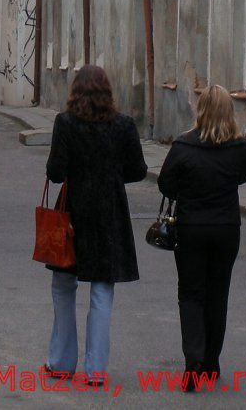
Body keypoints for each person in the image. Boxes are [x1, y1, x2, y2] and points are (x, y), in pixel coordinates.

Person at [44, 64, 148, 385]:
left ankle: (61, 362)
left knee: (63, 286)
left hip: (72, 212)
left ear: (76, 91)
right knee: (102, 290)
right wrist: (111, 176)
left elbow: (56, 172)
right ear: (107, 92)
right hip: (108, 214)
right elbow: (139, 170)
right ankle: (96, 370)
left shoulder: (65, 123)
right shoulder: (123, 125)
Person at [157, 85, 246, 390]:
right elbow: (245, 175)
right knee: (217, 295)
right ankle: (211, 363)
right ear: (229, 112)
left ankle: (192, 362)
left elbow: (165, 183)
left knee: (190, 294)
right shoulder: (239, 148)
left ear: (200, 111)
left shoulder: (184, 146)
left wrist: (187, 190)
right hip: (226, 228)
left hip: (191, 229)